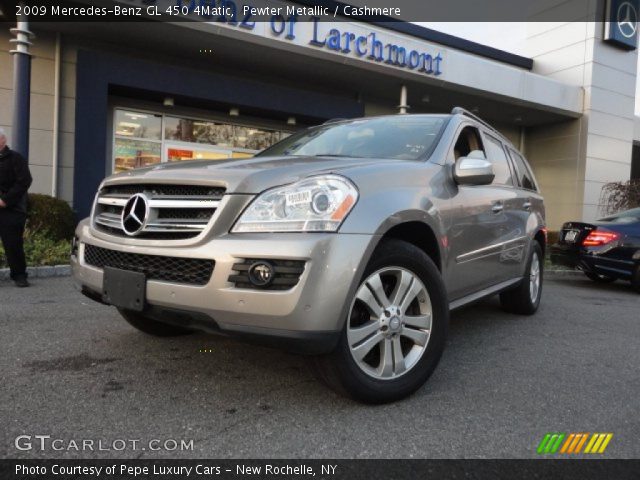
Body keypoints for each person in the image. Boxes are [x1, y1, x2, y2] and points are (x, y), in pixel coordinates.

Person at [0, 127, 33, 287]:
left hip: (11, 209)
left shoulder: (16, 158)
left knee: (13, 244)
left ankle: (19, 275)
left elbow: (24, 181)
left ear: (3, 140)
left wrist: (5, 200)